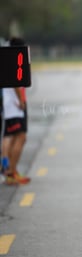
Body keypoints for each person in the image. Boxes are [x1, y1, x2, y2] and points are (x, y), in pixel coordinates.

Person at [1, 37, 31, 185]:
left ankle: (10, 169)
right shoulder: (14, 58)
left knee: (12, 137)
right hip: (14, 105)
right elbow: (16, 82)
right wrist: (21, 100)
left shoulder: (7, 57)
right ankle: (11, 172)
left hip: (11, 104)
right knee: (19, 137)